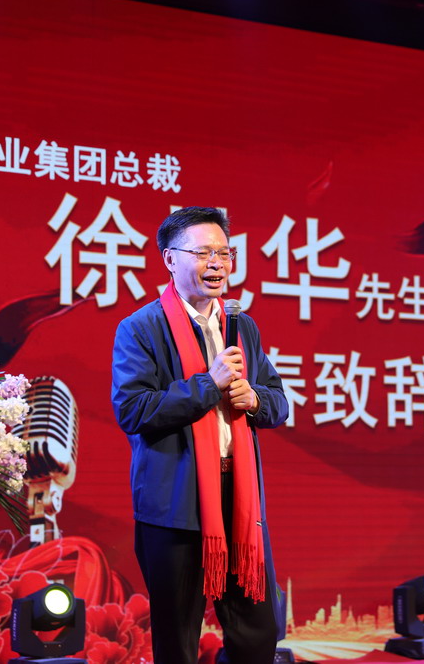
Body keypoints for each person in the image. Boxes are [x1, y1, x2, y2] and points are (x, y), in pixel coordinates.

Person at [111, 206, 289, 664]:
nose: (217, 263)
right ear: (170, 259)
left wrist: (255, 400)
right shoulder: (141, 328)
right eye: (204, 253)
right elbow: (133, 409)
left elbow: (278, 402)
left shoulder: (241, 325)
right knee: (179, 638)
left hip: (238, 496)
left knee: (258, 632)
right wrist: (209, 384)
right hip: (174, 501)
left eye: (224, 253)